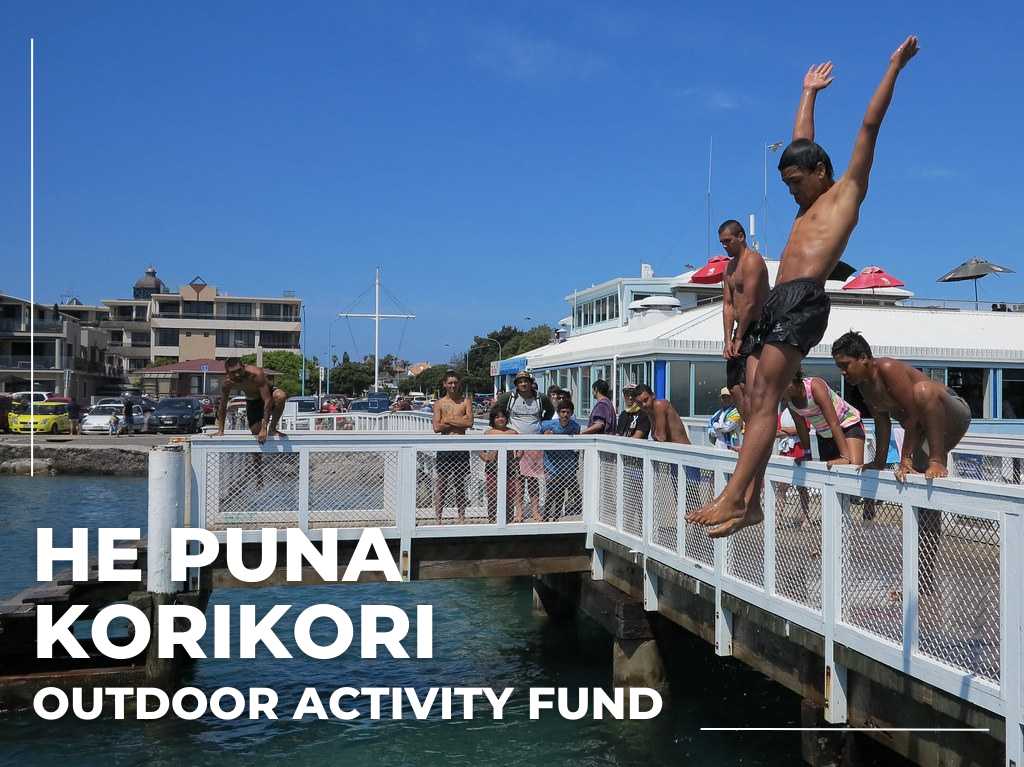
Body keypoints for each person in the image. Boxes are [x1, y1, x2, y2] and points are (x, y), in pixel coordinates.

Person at [687, 37, 920, 537]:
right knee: (753, 399)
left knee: (767, 394)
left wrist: (894, 67)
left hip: (805, 298)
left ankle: (735, 498)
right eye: (787, 184)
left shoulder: (846, 195)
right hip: (777, 302)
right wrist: (808, 93)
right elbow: (802, 140)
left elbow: (869, 127)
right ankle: (751, 503)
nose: (792, 192)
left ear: (821, 172)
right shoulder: (806, 196)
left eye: (796, 181)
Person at [831, 331, 970, 481]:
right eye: (839, 367)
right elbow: (881, 422)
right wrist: (879, 462)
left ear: (863, 358)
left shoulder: (887, 368)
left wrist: (906, 457)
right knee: (919, 471)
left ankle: (937, 460)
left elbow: (912, 414)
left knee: (923, 390)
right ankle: (935, 465)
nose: (843, 372)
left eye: (845, 365)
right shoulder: (863, 384)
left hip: (953, 415)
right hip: (926, 431)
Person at [719, 219, 770, 419]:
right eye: (722, 242)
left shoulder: (752, 261)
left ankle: (756, 427)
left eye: (728, 241)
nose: (724, 246)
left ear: (741, 237)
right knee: (733, 386)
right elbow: (728, 304)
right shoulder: (729, 268)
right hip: (741, 329)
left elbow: (750, 302)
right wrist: (728, 340)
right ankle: (750, 426)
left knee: (747, 384)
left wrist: (739, 338)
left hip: (758, 327)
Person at [497, 371, 554, 521]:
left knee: (533, 479)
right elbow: (497, 410)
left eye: (526, 381)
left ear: (531, 382)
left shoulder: (541, 397)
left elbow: (550, 410)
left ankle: (535, 511)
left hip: (534, 442)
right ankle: (519, 512)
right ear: (517, 383)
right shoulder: (509, 397)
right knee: (518, 479)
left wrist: (542, 424)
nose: (523, 384)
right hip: (515, 443)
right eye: (520, 381)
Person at [782, 371, 865, 468]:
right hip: (825, 434)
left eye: (775, 390)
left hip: (848, 424)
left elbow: (834, 423)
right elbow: (801, 426)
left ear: (788, 383)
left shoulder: (815, 387)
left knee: (853, 467)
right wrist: (807, 453)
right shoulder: (789, 400)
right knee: (828, 471)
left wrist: (845, 457)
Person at [432, 370, 475, 524]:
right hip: (445, 446)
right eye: (450, 382)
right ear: (444, 384)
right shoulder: (439, 403)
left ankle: (461, 518)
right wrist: (458, 420)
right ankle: (438, 519)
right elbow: (436, 427)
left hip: (461, 446)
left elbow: (469, 423)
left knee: (460, 484)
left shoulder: (466, 402)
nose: (453, 385)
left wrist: (448, 420)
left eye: (455, 382)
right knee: (441, 483)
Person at [213, 357, 287, 445]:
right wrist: (220, 430)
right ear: (227, 372)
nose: (237, 374)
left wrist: (264, 428)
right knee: (256, 434)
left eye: (239, 370)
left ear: (243, 367)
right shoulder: (227, 383)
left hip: (268, 394)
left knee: (280, 396)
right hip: (252, 400)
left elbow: (267, 400)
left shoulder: (256, 374)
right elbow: (223, 406)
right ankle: (257, 455)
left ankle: (272, 429)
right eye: (232, 372)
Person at [478, 406, 523, 523]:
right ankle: (492, 519)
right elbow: (481, 451)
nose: (500, 419)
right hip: (492, 467)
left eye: (503, 416)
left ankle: (508, 518)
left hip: (509, 467)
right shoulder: (488, 433)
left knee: (509, 494)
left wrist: (517, 457)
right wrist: (486, 458)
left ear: (507, 418)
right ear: (493, 419)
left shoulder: (513, 433)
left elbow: (520, 449)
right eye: (497, 417)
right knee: (493, 494)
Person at [540, 401, 582, 519]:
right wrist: (544, 434)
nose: (565, 415)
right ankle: (546, 515)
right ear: (558, 413)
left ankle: (557, 516)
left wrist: (574, 464)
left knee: (561, 491)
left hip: (567, 463)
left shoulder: (575, 426)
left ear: (572, 413)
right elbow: (538, 433)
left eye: (568, 412)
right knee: (552, 490)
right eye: (563, 412)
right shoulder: (548, 425)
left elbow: (576, 446)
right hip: (551, 463)